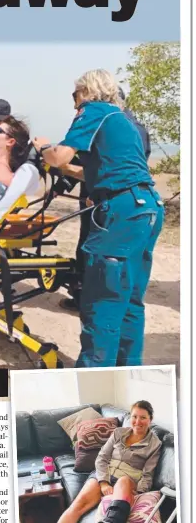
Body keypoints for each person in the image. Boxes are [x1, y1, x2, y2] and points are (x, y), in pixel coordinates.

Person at [33, 69, 164, 368]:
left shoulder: (93, 111)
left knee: (101, 301)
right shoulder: (124, 121)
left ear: (88, 91)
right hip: (147, 208)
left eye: (75, 95)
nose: (73, 104)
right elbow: (93, 171)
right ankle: (129, 373)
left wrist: (42, 147)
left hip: (123, 214)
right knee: (129, 300)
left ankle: (90, 383)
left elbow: (59, 157)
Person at [22, 401, 162, 523]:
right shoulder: (119, 433)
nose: (138, 421)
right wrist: (103, 482)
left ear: (150, 419)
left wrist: (134, 491)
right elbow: (102, 458)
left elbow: (148, 476)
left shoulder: (155, 444)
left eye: (143, 417)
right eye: (134, 416)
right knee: (78, 505)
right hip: (104, 475)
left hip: (128, 481)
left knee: (125, 480)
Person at [60, 84, 152, 312]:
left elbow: (89, 161)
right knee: (129, 263)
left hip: (105, 197)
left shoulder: (102, 120)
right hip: (134, 200)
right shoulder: (136, 128)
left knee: (94, 249)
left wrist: (62, 167)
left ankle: (85, 297)